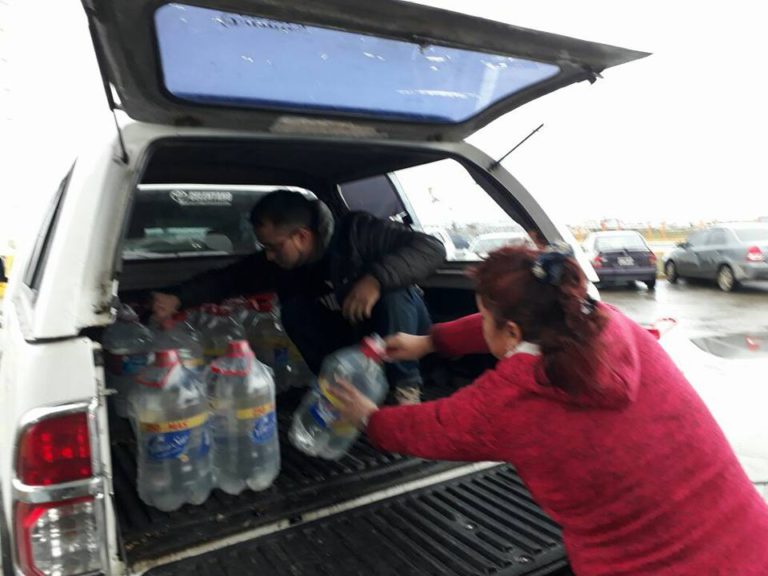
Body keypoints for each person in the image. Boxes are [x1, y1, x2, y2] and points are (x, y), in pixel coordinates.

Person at [333, 246, 768, 574]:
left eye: (482, 315)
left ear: (512, 330)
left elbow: (429, 427)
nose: (480, 322)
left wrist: (368, 415)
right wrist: (431, 341)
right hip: (751, 542)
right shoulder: (611, 322)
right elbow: (512, 326)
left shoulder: (510, 400)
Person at [152, 190, 444, 404]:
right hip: (356, 356)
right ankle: (336, 389)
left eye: (273, 246)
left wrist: (375, 279)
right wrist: (179, 297)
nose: (268, 254)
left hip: (404, 344)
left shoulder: (359, 233)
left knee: (395, 290)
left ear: (301, 237)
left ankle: (406, 390)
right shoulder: (282, 263)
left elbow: (431, 248)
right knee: (294, 310)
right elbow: (229, 279)